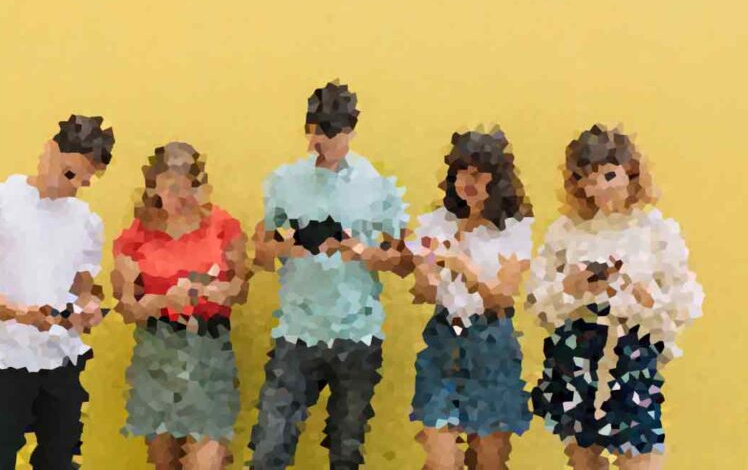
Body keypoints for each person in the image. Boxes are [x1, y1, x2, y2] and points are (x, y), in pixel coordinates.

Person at [248, 81, 413, 469]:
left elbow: (404, 260)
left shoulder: (376, 184)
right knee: (269, 448)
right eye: (314, 131)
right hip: (296, 330)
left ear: (350, 131)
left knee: (346, 451)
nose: (319, 141)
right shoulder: (285, 181)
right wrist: (292, 247)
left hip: (357, 332)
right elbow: (261, 248)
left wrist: (361, 251)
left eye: (329, 132)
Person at [526, 125, 704, 470]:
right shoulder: (564, 232)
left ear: (630, 172)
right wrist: (572, 288)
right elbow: (537, 302)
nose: (600, 188)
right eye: (588, 179)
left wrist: (642, 296)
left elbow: (686, 301)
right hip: (576, 349)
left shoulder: (656, 230)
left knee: (638, 450)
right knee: (581, 454)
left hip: (631, 349)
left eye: (609, 175)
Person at [0, 114, 114, 469]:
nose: (73, 186)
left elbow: (84, 289)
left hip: (62, 362)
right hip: (3, 360)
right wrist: (16, 312)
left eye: (85, 181)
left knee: (59, 460)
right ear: (49, 151)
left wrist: (88, 309)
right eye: (69, 173)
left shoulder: (86, 221)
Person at [112, 142, 250, 470]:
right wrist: (163, 301)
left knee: (207, 459)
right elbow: (126, 307)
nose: (181, 196)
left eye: (189, 186)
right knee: (165, 461)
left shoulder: (223, 226)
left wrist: (212, 292)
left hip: (209, 348)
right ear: (154, 188)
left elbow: (240, 287)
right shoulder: (135, 237)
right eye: (172, 188)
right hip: (157, 349)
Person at [408, 130, 533, 470]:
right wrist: (426, 274)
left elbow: (502, 297)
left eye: (478, 174)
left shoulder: (513, 228)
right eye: (461, 173)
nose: (468, 182)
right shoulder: (436, 222)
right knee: (440, 458)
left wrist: (463, 266)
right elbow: (423, 291)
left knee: (489, 459)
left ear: (497, 179)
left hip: (491, 340)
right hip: (444, 336)